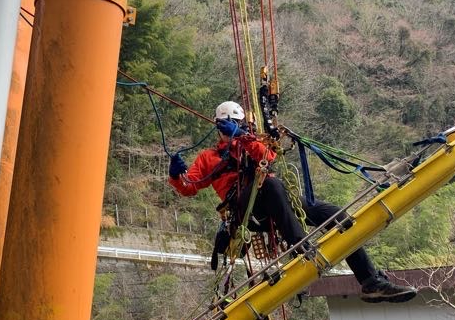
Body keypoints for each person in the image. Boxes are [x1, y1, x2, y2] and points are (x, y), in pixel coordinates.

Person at [167, 101, 416, 303]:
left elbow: (268, 156)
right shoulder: (209, 157)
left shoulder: (251, 142)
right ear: (219, 127)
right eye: (228, 125)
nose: (232, 128)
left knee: (336, 215)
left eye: (237, 124)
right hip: (245, 208)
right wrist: (175, 174)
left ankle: (370, 281)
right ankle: (300, 246)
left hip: (277, 200)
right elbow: (189, 187)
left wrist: (244, 138)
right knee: (272, 185)